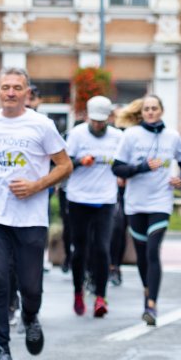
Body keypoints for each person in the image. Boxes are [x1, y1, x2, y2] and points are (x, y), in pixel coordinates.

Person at [0, 68, 72, 360]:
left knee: (31, 286)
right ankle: (2, 349)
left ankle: (30, 316)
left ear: (27, 92)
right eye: (6, 87)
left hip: (30, 216)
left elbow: (64, 165)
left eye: (18, 87)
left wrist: (36, 186)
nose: (11, 92)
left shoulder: (42, 125)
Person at [111, 93, 181, 326]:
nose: (150, 112)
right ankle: (148, 291)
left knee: (153, 251)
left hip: (161, 202)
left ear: (161, 111)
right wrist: (142, 167)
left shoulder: (172, 136)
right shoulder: (131, 136)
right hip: (135, 203)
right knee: (142, 255)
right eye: (147, 109)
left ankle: (152, 305)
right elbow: (117, 169)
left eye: (154, 108)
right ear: (142, 112)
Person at [64, 95, 123, 318]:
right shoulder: (77, 134)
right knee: (80, 249)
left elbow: (122, 163)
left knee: (102, 248)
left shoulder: (117, 137)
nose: (98, 125)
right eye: (94, 120)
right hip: (79, 198)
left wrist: (123, 175)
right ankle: (78, 291)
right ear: (88, 117)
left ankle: (101, 296)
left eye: (102, 121)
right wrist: (81, 161)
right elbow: (65, 164)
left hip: (106, 198)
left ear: (109, 118)